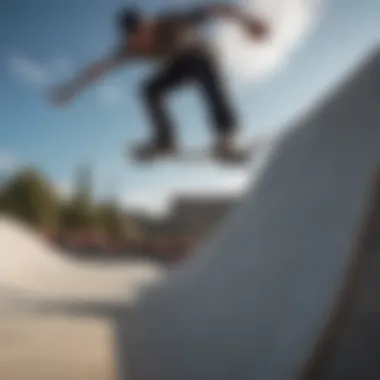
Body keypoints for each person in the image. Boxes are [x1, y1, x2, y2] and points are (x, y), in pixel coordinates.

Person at [50, 3, 270, 160]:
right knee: (149, 90)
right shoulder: (131, 49)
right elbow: (101, 67)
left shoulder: (172, 21)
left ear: (150, 23)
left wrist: (248, 22)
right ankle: (166, 140)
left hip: (201, 55)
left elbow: (216, 9)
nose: (147, 40)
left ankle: (226, 134)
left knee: (201, 67)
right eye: (140, 38)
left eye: (148, 31)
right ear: (131, 38)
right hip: (177, 67)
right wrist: (71, 89)